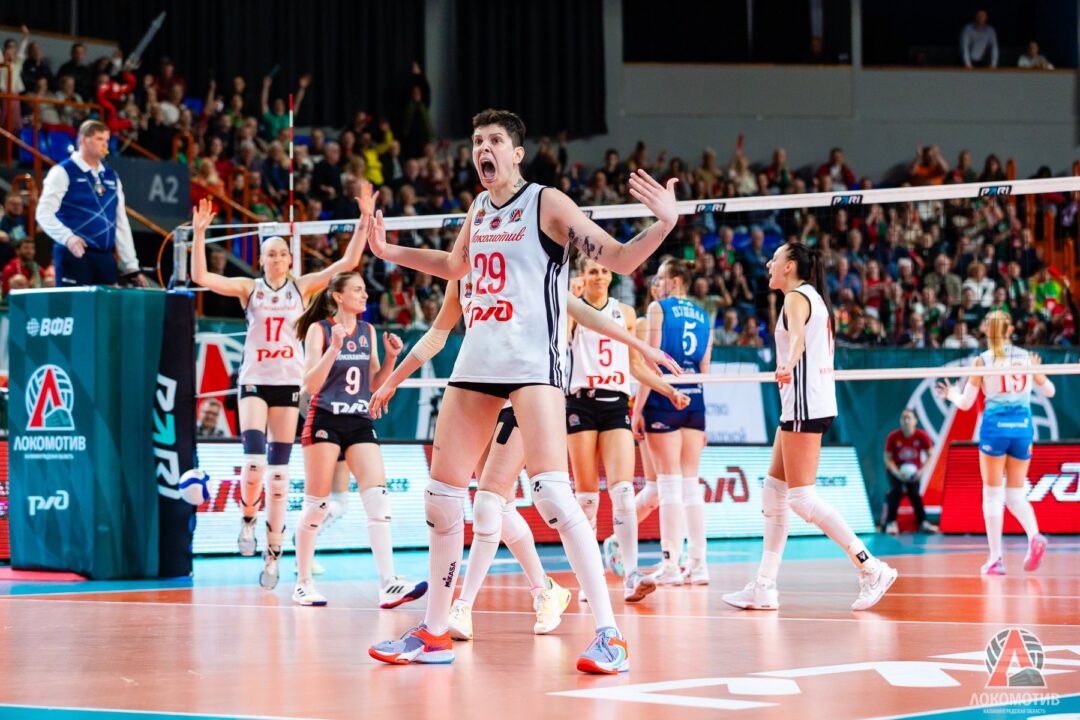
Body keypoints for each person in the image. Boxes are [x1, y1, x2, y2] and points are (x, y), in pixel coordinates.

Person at [366, 109, 678, 674]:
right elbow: (453, 265)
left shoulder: (546, 202)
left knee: (552, 495)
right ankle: (434, 632)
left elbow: (620, 258)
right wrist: (390, 252)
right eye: (476, 141)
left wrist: (665, 223)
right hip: (477, 362)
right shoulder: (478, 209)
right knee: (441, 497)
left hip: (534, 365)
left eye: (493, 141)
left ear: (516, 153)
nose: (482, 148)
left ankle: (609, 636)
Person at [368, 273, 680, 639]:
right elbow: (436, 333)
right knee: (498, 508)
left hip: (527, 392)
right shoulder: (463, 274)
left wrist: (639, 345)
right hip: (479, 392)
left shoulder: (528, 266)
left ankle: (465, 606)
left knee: (498, 502)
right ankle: (545, 590)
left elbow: (582, 312)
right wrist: (392, 380)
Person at [189, 185, 371, 590]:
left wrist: (362, 222)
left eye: (282, 253)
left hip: (288, 385)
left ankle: (273, 554)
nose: (276, 259)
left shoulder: (300, 287)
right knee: (254, 466)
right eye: (270, 254)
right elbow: (201, 277)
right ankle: (247, 518)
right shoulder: (248, 288)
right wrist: (200, 234)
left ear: (290, 259)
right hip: (254, 382)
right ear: (261, 260)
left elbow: (347, 262)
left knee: (279, 477)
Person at [723, 242, 897, 612]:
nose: (769, 264)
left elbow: (798, 338)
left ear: (789, 266)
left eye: (775, 259)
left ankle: (870, 567)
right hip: (804, 403)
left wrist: (788, 363)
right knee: (774, 491)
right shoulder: (812, 296)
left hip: (804, 403)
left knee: (801, 498)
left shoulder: (795, 298)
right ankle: (764, 586)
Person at [292, 270, 427, 607]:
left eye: (365, 290)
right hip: (324, 417)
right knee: (316, 506)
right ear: (338, 296)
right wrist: (334, 349)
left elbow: (373, 385)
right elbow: (311, 384)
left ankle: (388, 583)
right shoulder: (320, 329)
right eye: (357, 290)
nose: (365, 295)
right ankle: (303, 582)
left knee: (378, 500)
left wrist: (392, 358)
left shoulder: (368, 331)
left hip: (358, 419)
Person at [567, 257, 689, 603]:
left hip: (616, 403)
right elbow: (558, 343)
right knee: (586, 498)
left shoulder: (626, 313)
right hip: (579, 403)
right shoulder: (570, 309)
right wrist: (569, 301)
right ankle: (590, 579)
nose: (600, 276)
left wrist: (669, 390)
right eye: (593, 270)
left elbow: (634, 364)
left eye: (605, 270)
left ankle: (632, 575)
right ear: (582, 275)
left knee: (622, 491)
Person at [937, 311, 1053, 575]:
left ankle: (995, 559)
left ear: (987, 331)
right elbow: (1050, 391)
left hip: (995, 430)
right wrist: (1039, 373)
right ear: (1010, 330)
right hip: (1022, 429)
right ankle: (1034, 535)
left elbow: (966, 403)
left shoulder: (983, 360)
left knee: (991, 493)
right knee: (1015, 495)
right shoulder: (1026, 357)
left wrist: (952, 393)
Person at [631, 259, 711, 586]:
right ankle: (699, 565)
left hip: (665, 397)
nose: (657, 283)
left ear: (676, 281)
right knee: (690, 484)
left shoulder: (658, 308)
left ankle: (670, 565)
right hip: (696, 399)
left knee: (668, 484)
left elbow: (652, 361)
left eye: (662, 278)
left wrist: (638, 409)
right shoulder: (704, 315)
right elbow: (705, 368)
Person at [35, 120, 148, 287]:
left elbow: (121, 223)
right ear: (82, 140)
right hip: (74, 254)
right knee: (75, 304)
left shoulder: (111, 176)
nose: (104, 144)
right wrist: (68, 238)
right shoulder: (63, 171)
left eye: (107, 140)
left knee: (107, 304)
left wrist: (131, 265)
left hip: (105, 257)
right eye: (99, 139)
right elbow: (43, 213)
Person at [882, 409, 938, 535]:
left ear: (915, 421)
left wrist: (921, 472)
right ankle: (891, 523)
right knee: (895, 491)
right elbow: (887, 458)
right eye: (903, 418)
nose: (906, 420)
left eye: (909, 418)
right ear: (900, 421)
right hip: (896, 471)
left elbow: (930, 454)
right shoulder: (893, 436)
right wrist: (897, 473)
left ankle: (923, 522)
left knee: (914, 494)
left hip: (914, 473)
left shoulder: (922, 436)